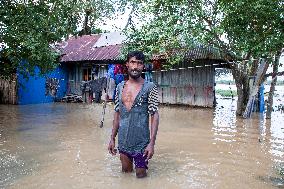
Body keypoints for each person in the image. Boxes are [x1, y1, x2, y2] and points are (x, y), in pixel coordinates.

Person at [108, 51, 159, 178]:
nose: (135, 67)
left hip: (141, 143)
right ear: (127, 64)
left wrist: (151, 144)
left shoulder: (150, 87)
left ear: (143, 66)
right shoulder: (120, 87)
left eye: (139, 63)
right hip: (124, 141)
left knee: (141, 176)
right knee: (125, 174)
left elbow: (154, 115)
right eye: (133, 62)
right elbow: (117, 114)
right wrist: (112, 138)